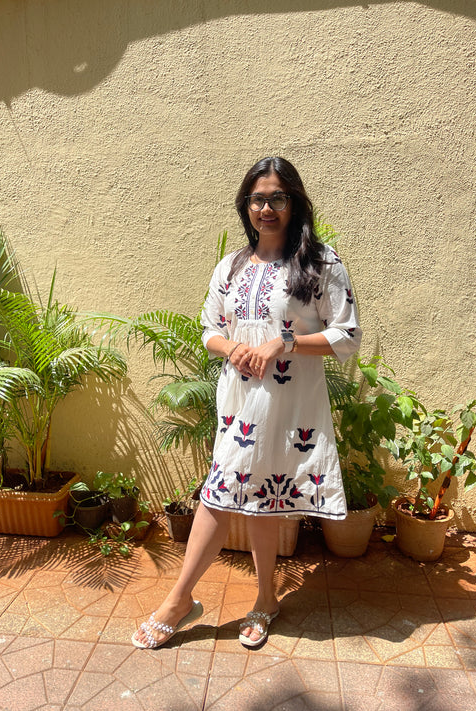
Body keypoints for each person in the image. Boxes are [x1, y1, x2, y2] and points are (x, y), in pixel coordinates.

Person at [132, 156, 361, 650]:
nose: (267, 208)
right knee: (229, 490)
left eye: (277, 197)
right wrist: (231, 346)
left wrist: (286, 342)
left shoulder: (322, 263)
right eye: (258, 199)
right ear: (246, 205)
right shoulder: (233, 266)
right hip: (239, 402)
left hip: (289, 402)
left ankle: (243, 600)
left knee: (257, 496)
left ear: (294, 202)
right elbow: (209, 327)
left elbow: (347, 335)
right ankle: (211, 599)